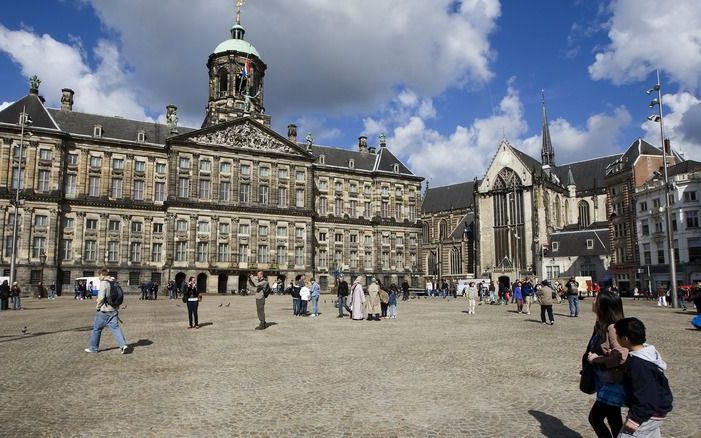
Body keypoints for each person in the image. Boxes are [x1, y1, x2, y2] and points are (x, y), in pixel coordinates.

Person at [614, 317, 673, 437]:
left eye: (617, 335)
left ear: (625, 339)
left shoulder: (639, 365)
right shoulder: (647, 352)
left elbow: (646, 394)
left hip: (648, 413)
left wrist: (635, 419)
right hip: (656, 410)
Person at [585, 291, 626, 438]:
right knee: (614, 419)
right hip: (604, 383)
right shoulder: (600, 324)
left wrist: (596, 359)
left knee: (595, 418)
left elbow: (621, 356)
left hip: (612, 385)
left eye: (596, 300)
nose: (593, 303)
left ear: (604, 307)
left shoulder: (613, 328)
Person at [85, 268, 129, 354]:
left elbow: (101, 297)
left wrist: (98, 307)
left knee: (97, 329)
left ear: (102, 275)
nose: (98, 277)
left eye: (99, 275)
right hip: (114, 309)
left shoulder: (104, 283)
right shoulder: (114, 282)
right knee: (116, 328)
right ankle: (123, 345)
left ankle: (93, 348)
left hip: (104, 310)